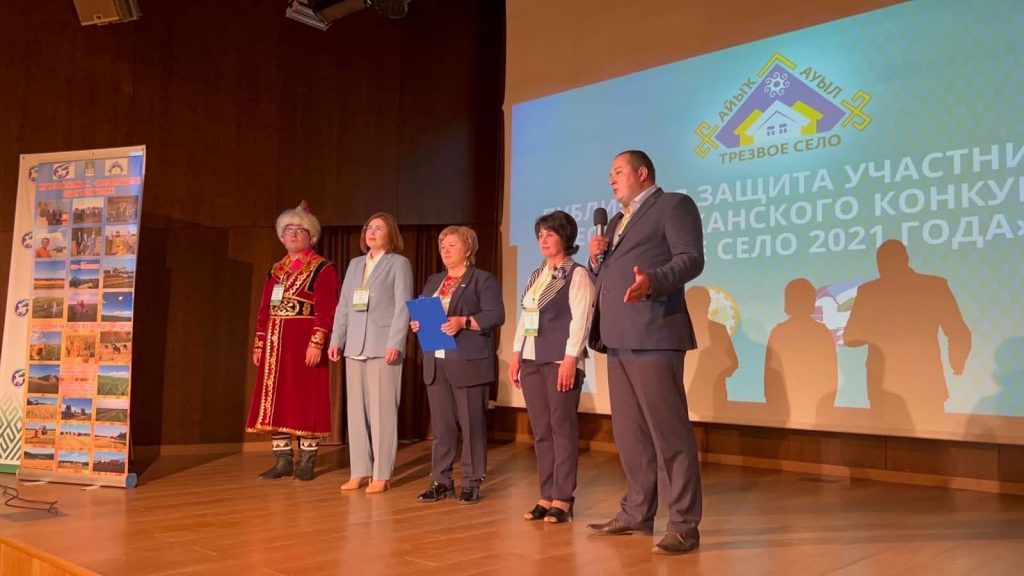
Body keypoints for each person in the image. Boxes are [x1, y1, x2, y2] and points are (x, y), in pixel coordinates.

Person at [586, 150, 705, 555]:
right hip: (618, 336)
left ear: (642, 172)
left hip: (655, 332)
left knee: (668, 433)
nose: (611, 179)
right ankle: (637, 511)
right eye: (610, 173)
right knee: (630, 433)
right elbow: (608, 276)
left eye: (618, 171)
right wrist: (595, 261)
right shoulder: (616, 222)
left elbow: (691, 259)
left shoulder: (673, 205)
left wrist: (653, 281)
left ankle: (684, 525)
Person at [508, 210, 594, 524]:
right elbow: (526, 317)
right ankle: (545, 495)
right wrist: (516, 354)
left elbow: (582, 320)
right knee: (541, 431)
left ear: (565, 238)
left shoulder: (577, 274)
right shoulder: (537, 275)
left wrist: (571, 359)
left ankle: (563, 498)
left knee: (562, 430)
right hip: (532, 359)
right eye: (540, 235)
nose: (543, 240)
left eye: (550, 234)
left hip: (560, 360)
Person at [246, 202, 339, 481]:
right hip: (276, 342)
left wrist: (317, 342)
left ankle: (307, 460)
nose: (293, 234)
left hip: (303, 342)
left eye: (300, 230)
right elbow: (265, 309)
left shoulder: (322, 268)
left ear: (312, 236)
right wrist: (260, 343)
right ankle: (283, 460)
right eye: (288, 230)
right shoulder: (276, 270)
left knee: (306, 397)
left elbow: (327, 309)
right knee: (276, 398)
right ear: (281, 236)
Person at [411, 226, 504, 504]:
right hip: (436, 360)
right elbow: (427, 312)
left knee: (471, 425)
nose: (445, 250)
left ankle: (472, 481)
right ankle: (441, 480)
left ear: (468, 249)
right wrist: (418, 324)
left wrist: (464, 321)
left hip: (468, 362)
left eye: (452, 245)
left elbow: (495, 315)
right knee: (442, 428)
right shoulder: (434, 280)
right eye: (442, 246)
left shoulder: (482, 280)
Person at [844, 239, 971, 430]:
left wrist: (957, 360)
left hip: (894, 386)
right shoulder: (934, 286)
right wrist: (957, 361)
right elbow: (958, 331)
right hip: (912, 384)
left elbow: (850, 337)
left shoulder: (870, 292)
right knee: (927, 440)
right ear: (906, 258)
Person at [328, 212, 413, 494]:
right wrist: (337, 339)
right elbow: (344, 305)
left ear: (390, 234)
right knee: (356, 412)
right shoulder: (355, 264)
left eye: (378, 228)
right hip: (355, 345)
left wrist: (396, 342)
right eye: (368, 228)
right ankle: (359, 470)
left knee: (382, 412)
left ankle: (381, 473)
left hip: (383, 345)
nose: (371, 232)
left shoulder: (398, 263)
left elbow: (403, 305)